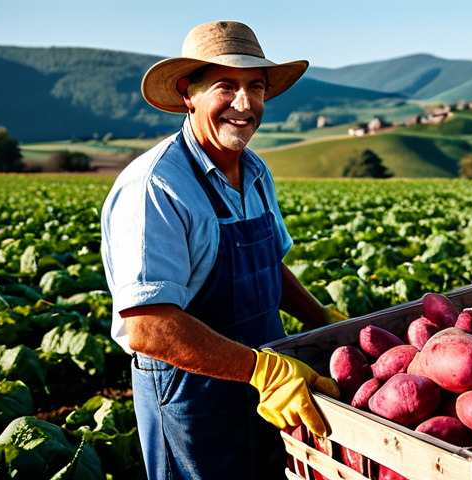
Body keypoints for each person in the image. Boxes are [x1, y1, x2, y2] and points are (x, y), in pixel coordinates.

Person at [100, 21, 340, 479]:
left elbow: (269, 265)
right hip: (193, 397)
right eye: (226, 86)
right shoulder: (157, 185)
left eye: (256, 87)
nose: (244, 104)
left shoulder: (254, 171)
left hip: (267, 385)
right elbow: (148, 327)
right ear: (189, 94)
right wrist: (264, 372)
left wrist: (321, 320)